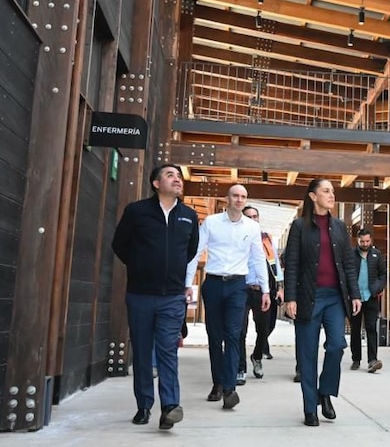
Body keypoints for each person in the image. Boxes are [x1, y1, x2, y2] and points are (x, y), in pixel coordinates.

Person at [111, 163, 198, 430]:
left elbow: (191, 250)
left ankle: (170, 406)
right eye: (170, 175)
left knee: (168, 352)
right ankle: (144, 405)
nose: (177, 179)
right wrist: (140, 266)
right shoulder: (137, 212)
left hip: (172, 296)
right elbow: (120, 245)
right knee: (141, 351)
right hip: (140, 295)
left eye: (179, 176)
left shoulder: (189, 216)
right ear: (156, 183)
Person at [283, 179, 360, 427]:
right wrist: (290, 297)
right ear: (313, 196)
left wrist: (355, 294)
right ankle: (309, 408)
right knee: (306, 354)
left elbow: (348, 263)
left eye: (333, 192)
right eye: (326, 191)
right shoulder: (299, 226)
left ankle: (325, 392)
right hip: (308, 296)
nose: (331, 195)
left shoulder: (339, 226)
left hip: (335, 297)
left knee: (337, 345)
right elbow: (292, 263)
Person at [188, 184, 270, 410]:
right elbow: (195, 252)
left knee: (234, 335)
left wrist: (265, 290)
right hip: (213, 283)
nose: (240, 199)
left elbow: (257, 258)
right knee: (215, 337)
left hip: (237, 285)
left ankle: (229, 388)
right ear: (228, 199)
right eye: (236, 195)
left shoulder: (252, 227)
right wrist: (188, 284)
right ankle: (217, 383)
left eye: (244, 196)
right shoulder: (212, 222)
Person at [237, 205, 282, 383]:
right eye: (249, 216)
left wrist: (279, 287)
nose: (253, 219)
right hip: (241, 289)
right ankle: (240, 367)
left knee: (264, 329)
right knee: (240, 330)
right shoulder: (238, 237)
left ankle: (257, 356)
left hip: (263, 291)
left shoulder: (266, 240)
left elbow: (275, 264)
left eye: (255, 216)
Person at [349, 228, 387, 373]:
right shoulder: (351, 255)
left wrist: (377, 288)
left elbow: (383, 274)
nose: (365, 244)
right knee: (355, 329)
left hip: (371, 297)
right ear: (357, 240)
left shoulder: (377, 255)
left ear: (371, 240)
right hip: (355, 298)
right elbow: (348, 274)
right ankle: (356, 359)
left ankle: (372, 360)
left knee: (371, 328)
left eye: (367, 241)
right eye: (362, 241)